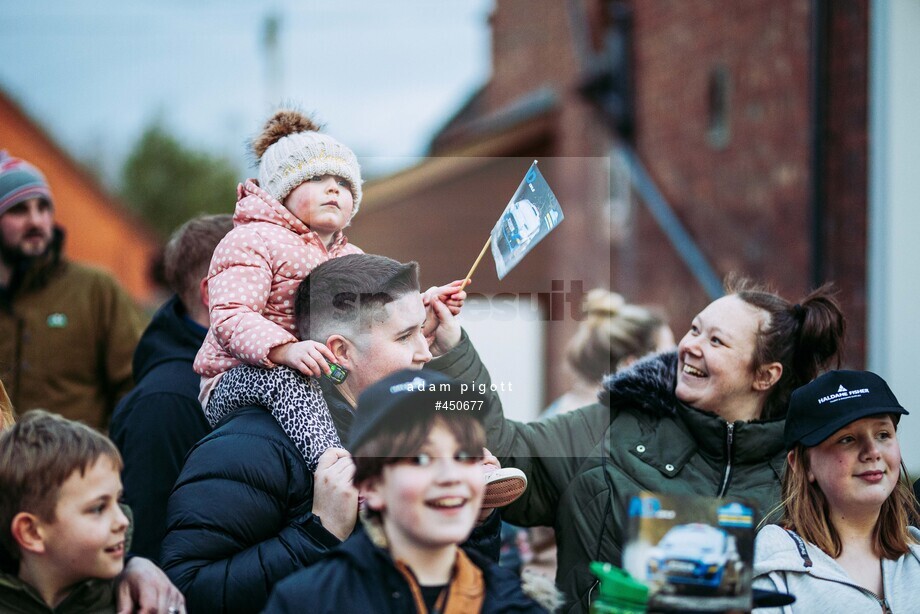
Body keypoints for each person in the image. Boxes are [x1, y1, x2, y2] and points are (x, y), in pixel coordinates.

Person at [430, 276, 846, 611]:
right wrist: (453, 352)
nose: (689, 347)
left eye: (716, 341)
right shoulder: (615, 425)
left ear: (765, 376)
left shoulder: (805, 475)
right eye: (694, 329)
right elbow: (507, 452)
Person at [161, 254, 504, 613]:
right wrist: (319, 532)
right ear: (341, 351)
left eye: (422, 330)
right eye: (404, 336)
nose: (424, 353)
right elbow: (186, 591)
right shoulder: (251, 446)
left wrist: (475, 523)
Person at [194, 110, 464, 472]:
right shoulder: (250, 240)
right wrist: (285, 349)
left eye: (344, 182)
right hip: (239, 375)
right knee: (289, 381)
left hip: (319, 369)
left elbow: (378, 317)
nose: (334, 188)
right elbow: (231, 317)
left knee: (389, 381)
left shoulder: (349, 255)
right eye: (318, 178)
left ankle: (448, 464)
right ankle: (338, 472)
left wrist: (422, 309)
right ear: (282, 190)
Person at [264, 369, 556, 613]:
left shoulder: (517, 605)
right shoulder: (307, 602)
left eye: (464, 456)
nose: (451, 476)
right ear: (370, 484)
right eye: (421, 459)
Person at [109, 213, 233, 563]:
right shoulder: (164, 404)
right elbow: (148, 554)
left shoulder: (245, 375)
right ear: (214, 291)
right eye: (261, 270)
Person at [753, 370, 920, 612]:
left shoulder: (915, 555)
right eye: (847, 439)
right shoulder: (777, 569)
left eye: (883, 434)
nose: (872, 451)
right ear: (801, 464)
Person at [0, 151, 144, 430]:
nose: (36, 221)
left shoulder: (95, 288)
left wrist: (105, 462)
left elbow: (136, 387)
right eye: (19, 209)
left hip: (78, 469)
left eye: (43, 208)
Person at [0, 410, 186, 614]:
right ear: (32, 532)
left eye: (119, 500)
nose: (123, 520)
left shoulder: (142, 604)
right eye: (98, 508)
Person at [542, 289, 674, 419]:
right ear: (633, 365)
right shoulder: (614, 429)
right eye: (668, 357)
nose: (677, 364)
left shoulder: (560, 411)